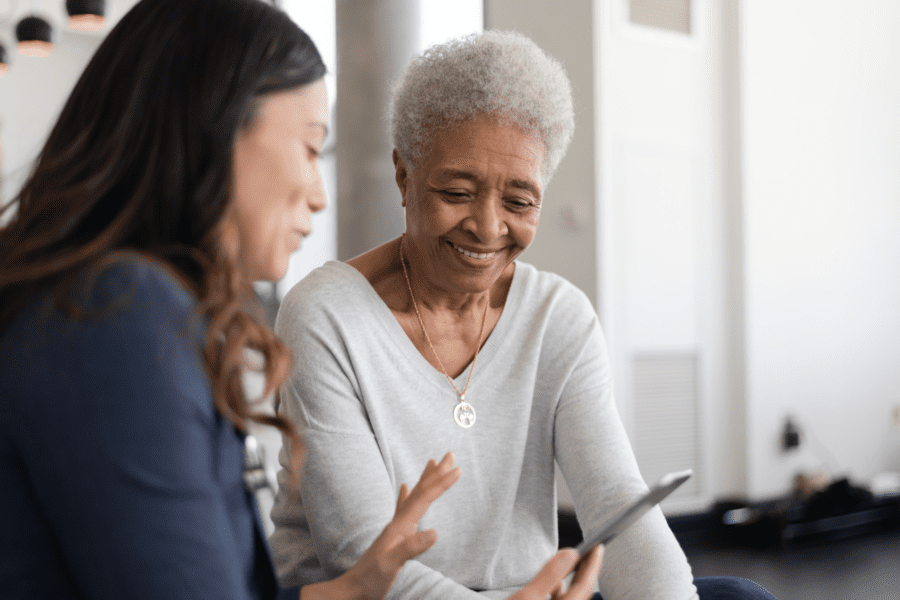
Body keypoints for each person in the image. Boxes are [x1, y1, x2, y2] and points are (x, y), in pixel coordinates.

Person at [269, 31, 777, 600]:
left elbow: (617, 502)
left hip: (529, 594)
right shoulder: (326, 316)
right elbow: (363, 556)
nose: (488, 228)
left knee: (739, 597)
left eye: (518, 202)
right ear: (404, 175)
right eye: (457, 192)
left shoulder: (558, 317)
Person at [0, 1, 479, 598]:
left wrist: (355, 588)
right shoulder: (118, 311)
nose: (319, 195)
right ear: (216, 128)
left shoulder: (113, 303)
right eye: (309, 147)